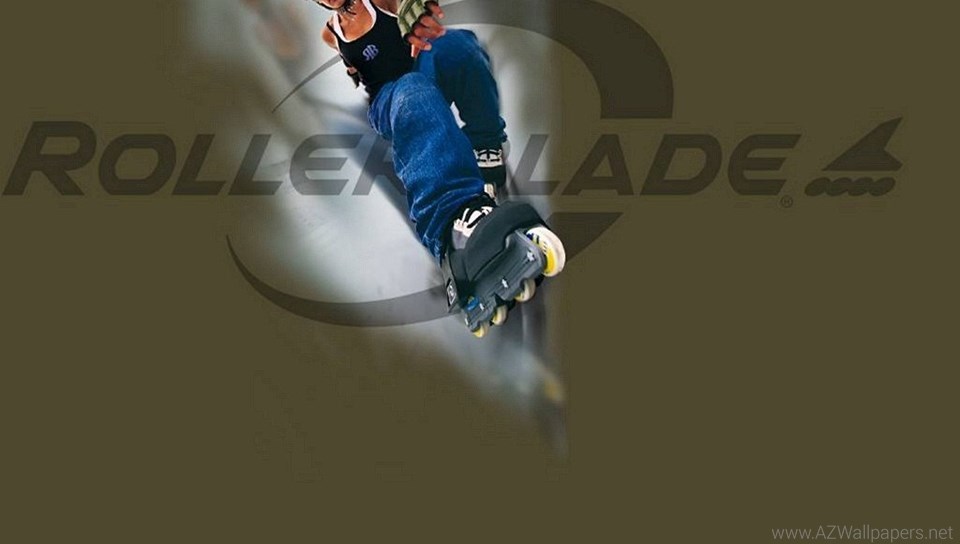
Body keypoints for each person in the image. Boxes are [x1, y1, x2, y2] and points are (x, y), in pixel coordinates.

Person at [311, 0, 565, 336]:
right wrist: (356, 71)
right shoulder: (331, 33)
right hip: (389, 99)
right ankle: (453, 229)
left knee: (457, 46)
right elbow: (355, 65)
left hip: (421, 65)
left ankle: (486, 150)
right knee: (412, 94)